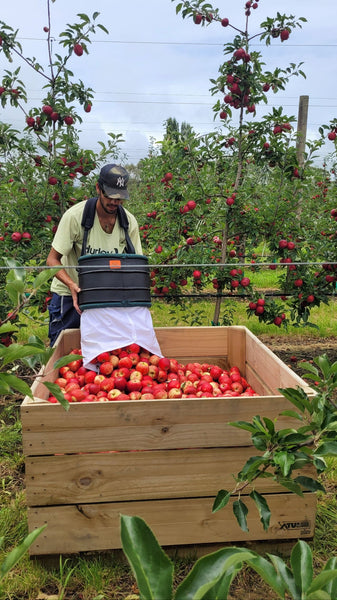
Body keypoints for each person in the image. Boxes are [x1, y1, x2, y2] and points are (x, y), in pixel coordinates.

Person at [46, 164, 162, 364]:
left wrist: (138, 304)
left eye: (119, 197)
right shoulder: (76, 217)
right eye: (109, 195)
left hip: (108, 298)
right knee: (64, 357)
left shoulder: (128, 222)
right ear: (98, 188)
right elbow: (52, 260)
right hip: (70, 296)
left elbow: (135, 267)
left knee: (107, 356)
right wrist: (72, 285)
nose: (114, 202)